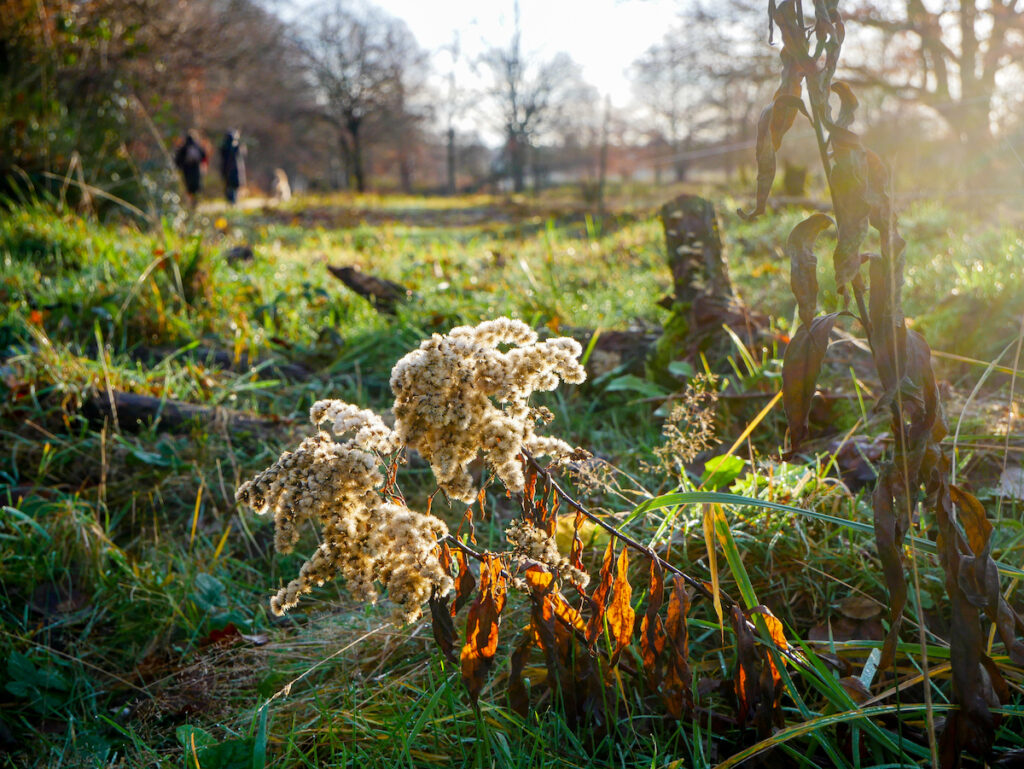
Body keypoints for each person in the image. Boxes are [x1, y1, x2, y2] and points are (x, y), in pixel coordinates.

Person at [174, 130, 207, 207]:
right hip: (196, 170)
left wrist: (179, 167)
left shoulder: (184, 147)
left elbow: (178, 159)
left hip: (187, 170)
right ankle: (195, 202)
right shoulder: (197, 146)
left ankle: (190, 202)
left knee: (188, 187)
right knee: (196, 186)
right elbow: (203, 156)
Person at [219, 130, 246, 204]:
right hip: (235, 169)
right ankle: (233, 201)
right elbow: (243, 153)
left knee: (229, 186)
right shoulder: (236, 147)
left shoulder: (224, 147)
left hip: (226, 169)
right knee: (234, 187)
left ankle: (231, 201)